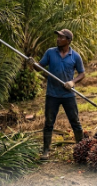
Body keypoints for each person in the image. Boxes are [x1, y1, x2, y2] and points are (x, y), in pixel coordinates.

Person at [27, 29, 85, 160]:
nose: (58, 39)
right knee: (49, 123)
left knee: (75, 122)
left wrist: (72, 82)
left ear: (68, 40)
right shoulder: (50, 52)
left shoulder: (75, 56)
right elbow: (39, 67)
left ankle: (81, 149)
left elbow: (82, 73)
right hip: (52, 94)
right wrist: (33, 64)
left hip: (68, 95)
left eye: (61, 37)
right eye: (58, 37)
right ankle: (46, 151)